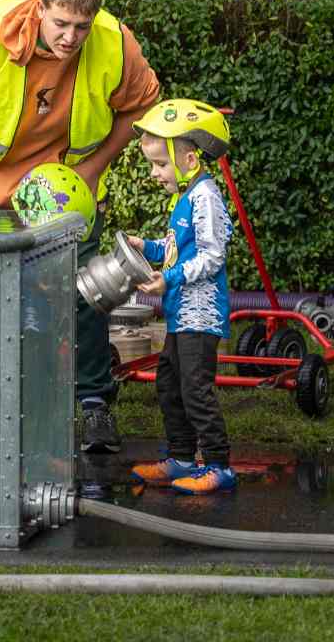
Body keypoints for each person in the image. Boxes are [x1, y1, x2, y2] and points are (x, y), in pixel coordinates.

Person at [0, 0, 161, 453]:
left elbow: (142, 103)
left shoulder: (114, 41)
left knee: (85, 286)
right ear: (40, 7)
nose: (70, 37)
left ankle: (94, 402)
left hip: (64, 180)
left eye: (82, 27)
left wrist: (93, 169)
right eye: (60, 24)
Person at [127, 99, 238, 495]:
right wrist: (147, 247)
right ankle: (182, 458)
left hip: (201, 315)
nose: (154, 173)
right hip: (181, 314)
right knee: (169, 385)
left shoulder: (205, 196)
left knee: (195, 390)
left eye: (160, 164)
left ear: (189, 160)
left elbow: (212, 256)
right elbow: (177, 249)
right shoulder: (186, 196)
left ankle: (219, 465)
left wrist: (169, 279)